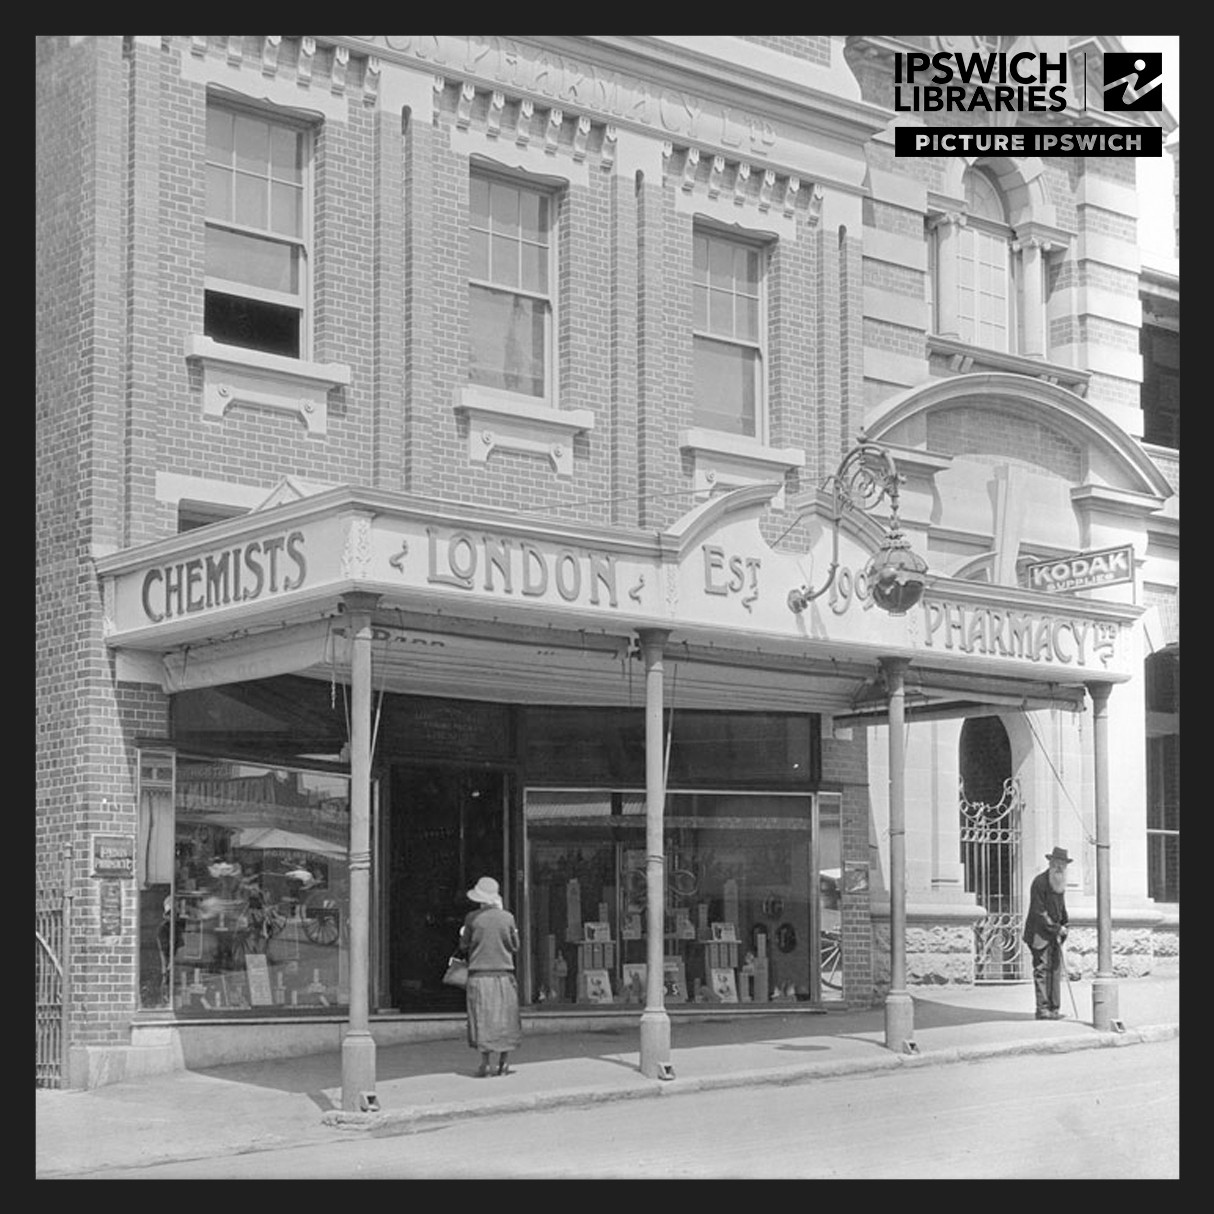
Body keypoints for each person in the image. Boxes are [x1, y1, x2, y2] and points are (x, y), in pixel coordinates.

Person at [460, 876, 522, 1077]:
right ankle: (504, 1062)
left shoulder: (472, 918)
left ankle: (485, 1063)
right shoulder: (508, 918)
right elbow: (515, 946)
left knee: (483, 1019)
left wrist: (463, 934)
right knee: (505, 1020)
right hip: (504, 975)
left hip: (479, 976)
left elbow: (464, 946)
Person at [1023, 846, 1071, 1019]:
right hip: (1039, 933)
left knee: (1055, 970)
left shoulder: (1060, 882)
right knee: (1042, 970)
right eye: (1057, 863)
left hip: (1054, 933)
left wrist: (1065, 924)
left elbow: (1061, 908)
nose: (1060, 867)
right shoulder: (1040, 882)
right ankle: (1042, 1009)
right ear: (1050, 863)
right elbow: (1039, 911)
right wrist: (1057, 928)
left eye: (1063, 864)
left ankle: (1054, 1008)